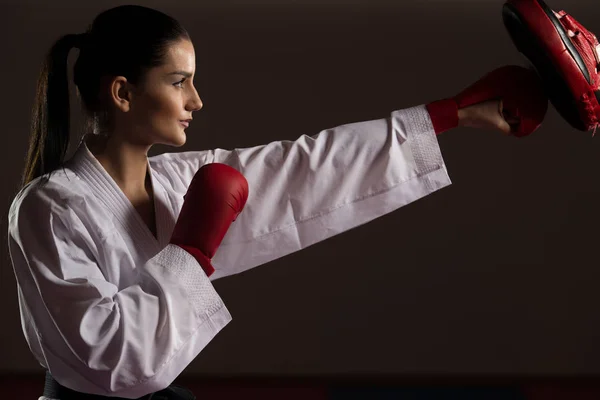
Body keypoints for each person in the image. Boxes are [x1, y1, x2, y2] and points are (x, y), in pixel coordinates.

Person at [7, 4, 548, 400]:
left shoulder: (177, 182)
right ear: (123, 93)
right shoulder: (48, 209)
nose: (196, 100)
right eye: (179, 82)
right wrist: (190, 253)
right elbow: (111, 360)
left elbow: (303, 170)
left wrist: (454, 114)